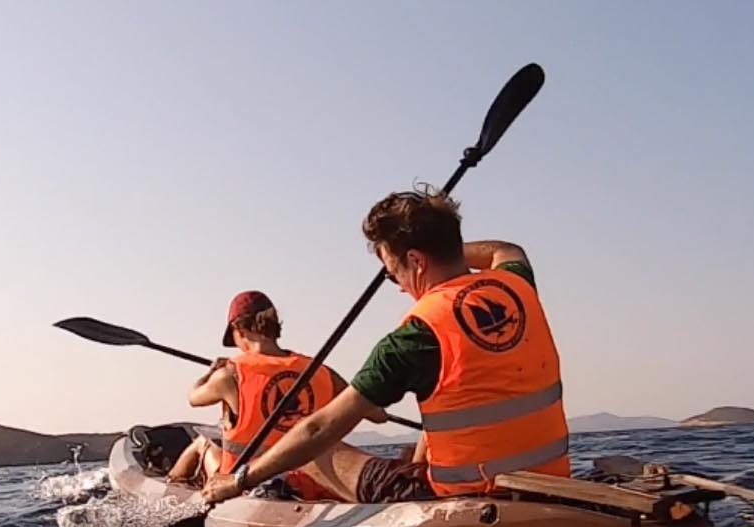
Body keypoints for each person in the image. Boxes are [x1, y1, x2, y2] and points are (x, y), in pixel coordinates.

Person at [203, 188, 569, 506]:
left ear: (415, 260)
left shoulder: (414, 337)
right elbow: (507, 248)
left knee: (311, 453)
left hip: (465, 495)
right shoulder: (517, 285)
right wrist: (444, 250)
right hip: (550, 479)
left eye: (390, 268)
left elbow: (318, 430)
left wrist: (238, 480)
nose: (393, 281)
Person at [167, 291, 361, 501]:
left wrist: (212, 372)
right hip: (313, 485)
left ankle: (171, 494)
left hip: (243, 486)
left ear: (239, 330)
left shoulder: (229, 376)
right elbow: (375, 412)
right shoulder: (321, 371)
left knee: (203, 442)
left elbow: (193, 397)